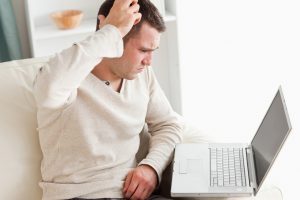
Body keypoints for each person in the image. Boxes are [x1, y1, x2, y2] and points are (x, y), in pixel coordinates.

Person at [33, 0, 183, 199]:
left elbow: (168, 125)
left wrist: (151, 167)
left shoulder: (142, 76)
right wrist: (111, 31)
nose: (148, 62)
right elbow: (48, 86)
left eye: (152, 51)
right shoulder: (69, 78)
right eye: (143, 50)